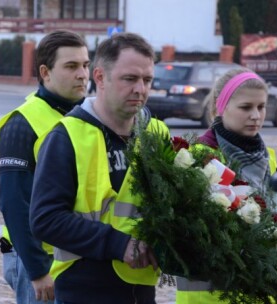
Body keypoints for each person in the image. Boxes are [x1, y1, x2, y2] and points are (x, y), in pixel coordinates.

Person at [29, 33, 169, 304]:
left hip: (141, 288)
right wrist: (119, 244)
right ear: (100, 77)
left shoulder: (157, 133)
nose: (140, 89)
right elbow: (45, 219)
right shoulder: (65, 135)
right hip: (84, 289)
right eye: (130, 79)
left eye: (147, 80)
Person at [0, 30, 89, 303]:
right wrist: (37, 270)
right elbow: (13, 201)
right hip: (36, 258)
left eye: (85, 64)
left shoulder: (83, 116)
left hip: (73, 252)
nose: (82, 74)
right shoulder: (22, 123)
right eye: (71, 66)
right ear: (45, 72)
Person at [175, 68, 277, 303]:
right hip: (210, 294)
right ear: (221, 108)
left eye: (261, 107)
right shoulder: (198, 157)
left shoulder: (267, 157)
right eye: (246, 107)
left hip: (262, 291)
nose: (256, 115)